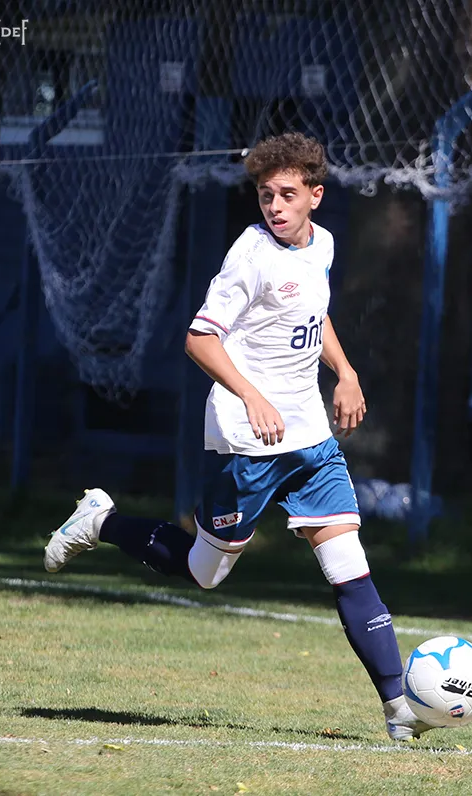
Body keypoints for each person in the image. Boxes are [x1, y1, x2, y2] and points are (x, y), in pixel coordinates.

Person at [43, 132, 432, 742]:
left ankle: (397, 707)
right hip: (248, 443)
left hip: (309, 439)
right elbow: (200, 339)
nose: (274, 206)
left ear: (315, 196)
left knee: (349, 567)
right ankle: (102, 520)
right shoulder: (250, 257)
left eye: (287, 194)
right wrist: (252, 396)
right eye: (265, 195)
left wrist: (347, 372)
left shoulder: (323, 245)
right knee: (205, 572)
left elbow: (314, 312)